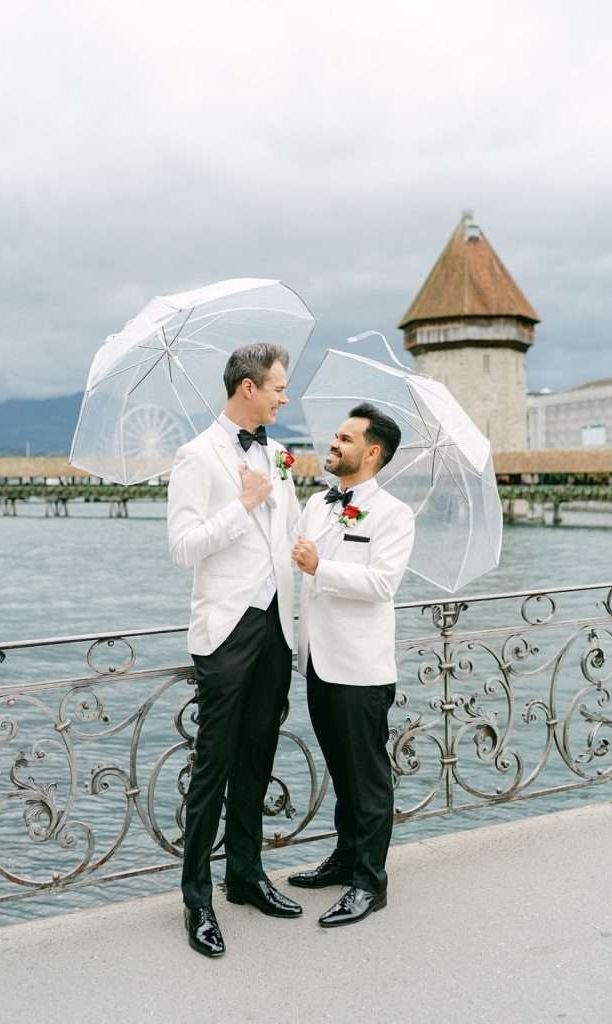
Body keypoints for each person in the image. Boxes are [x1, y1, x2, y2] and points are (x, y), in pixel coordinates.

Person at [167, 342, 303, 958]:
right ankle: (197, 900)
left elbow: (288, 535)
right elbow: (183, 547)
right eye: (277, 386)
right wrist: (243, 503)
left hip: (277, 628)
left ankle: (244, 876)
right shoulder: (196, 455)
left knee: (258, 755)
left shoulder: (277, 454)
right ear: (247, 387)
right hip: (226, 631)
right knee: (213, 765)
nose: (283, 396)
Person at [289, 402, 415, 927]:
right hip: (318, 662)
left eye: (345, 438)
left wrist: (323, 568)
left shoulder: (394, 514)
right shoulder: (317, 504)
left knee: (368, 780)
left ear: (372, 451)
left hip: (362, 671)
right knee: (342, 774)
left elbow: (383, 584)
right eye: (334, 435)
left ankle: (370, 883)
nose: (333, 444)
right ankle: (344, 860)